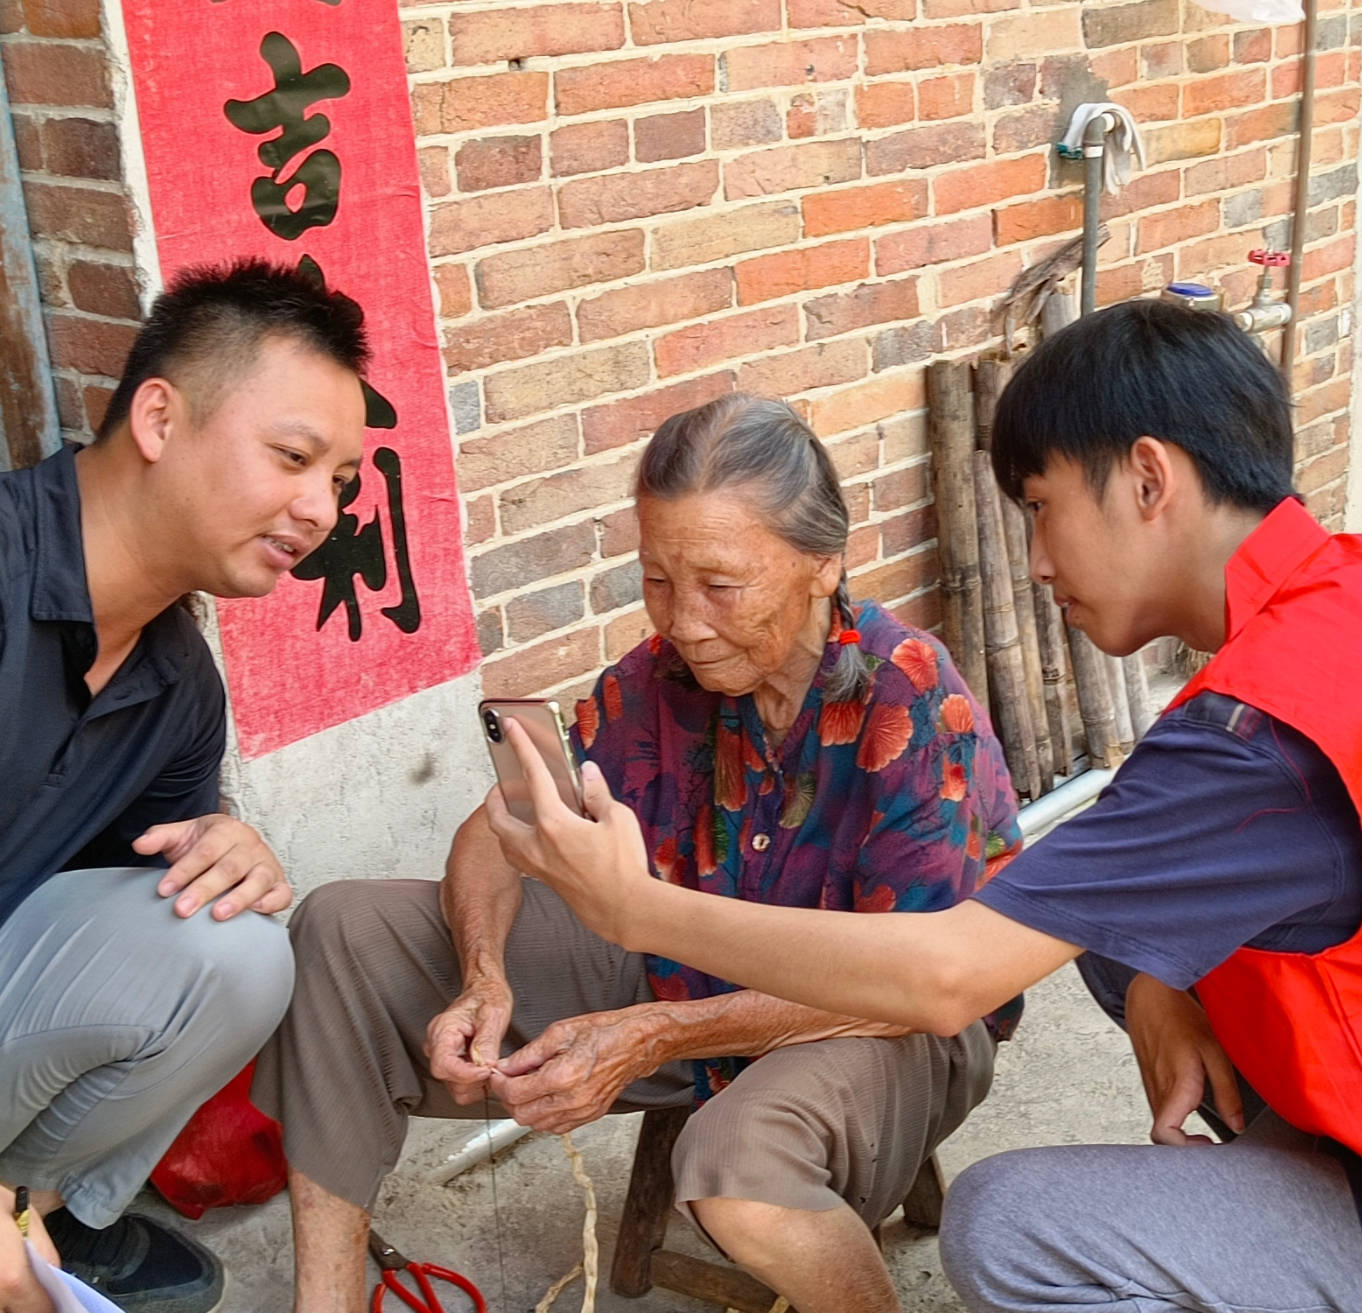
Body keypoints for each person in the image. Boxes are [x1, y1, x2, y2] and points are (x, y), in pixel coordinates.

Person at [486, 301, 1362, 1313]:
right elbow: (1113, 893)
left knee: (1009, 1225)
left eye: (1040, 506)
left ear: (1148, 480)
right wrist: (1155, 976)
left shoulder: (1248, 732)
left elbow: (944, 977)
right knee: (1108, 947)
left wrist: (634, 902)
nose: (1031, 559)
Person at [255, 393, 1022, 1313]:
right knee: (343, 929)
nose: (684, 619)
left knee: (735, 1160)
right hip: (689, 969)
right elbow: (497, 831)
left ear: (823, 565)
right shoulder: (660, 677)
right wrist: (485, 974)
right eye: (659, 579)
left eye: (720, 584)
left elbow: (920, 987)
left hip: (888, 1016)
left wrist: (656, 1032)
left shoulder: (910, 698)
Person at [0, 258, 371, 1313]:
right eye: (293, 457)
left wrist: (228, 852)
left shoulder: (176, 688)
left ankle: (43, 1215)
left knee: (232, 942)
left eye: (339, 480)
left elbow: (129, 918)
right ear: (159, 417)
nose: (318, 509)